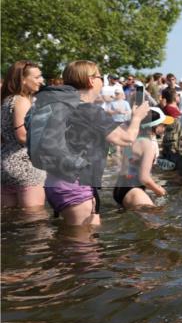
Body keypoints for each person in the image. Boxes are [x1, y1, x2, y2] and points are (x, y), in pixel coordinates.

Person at [32, 60, 149, 226]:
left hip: (55, 182)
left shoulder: (63, 106)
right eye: (100, 76)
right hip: (76, 185)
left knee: (81, 239)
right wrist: (137, 117)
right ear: (91, 80)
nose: (102, 80)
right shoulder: (90, 110)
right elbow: (126, 139)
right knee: (83, 247)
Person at [1, 61, 47, 208]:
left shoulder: (4, 101)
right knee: (35, 220)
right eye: (37, 77)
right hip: (26, 167)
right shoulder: (21, 100)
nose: (42, 80)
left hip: (5, 167)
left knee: (12, 221)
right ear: (23, 80)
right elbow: (22, 136)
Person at [112, 107, 170, 209]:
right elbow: (144, 179)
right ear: (155, 126)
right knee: (155, 222)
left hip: (119, 188)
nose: (165, 128)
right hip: (134, 191)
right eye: (163, 125)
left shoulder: (132, 139)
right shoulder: (148, 145)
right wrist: (159, 190)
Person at [159, 87, 182, 178]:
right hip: (177, 146)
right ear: (174, 97)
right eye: (178, 95)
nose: (179, 96)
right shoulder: (171, 109)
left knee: (178, 174)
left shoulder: (168, 108)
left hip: (172, 145)